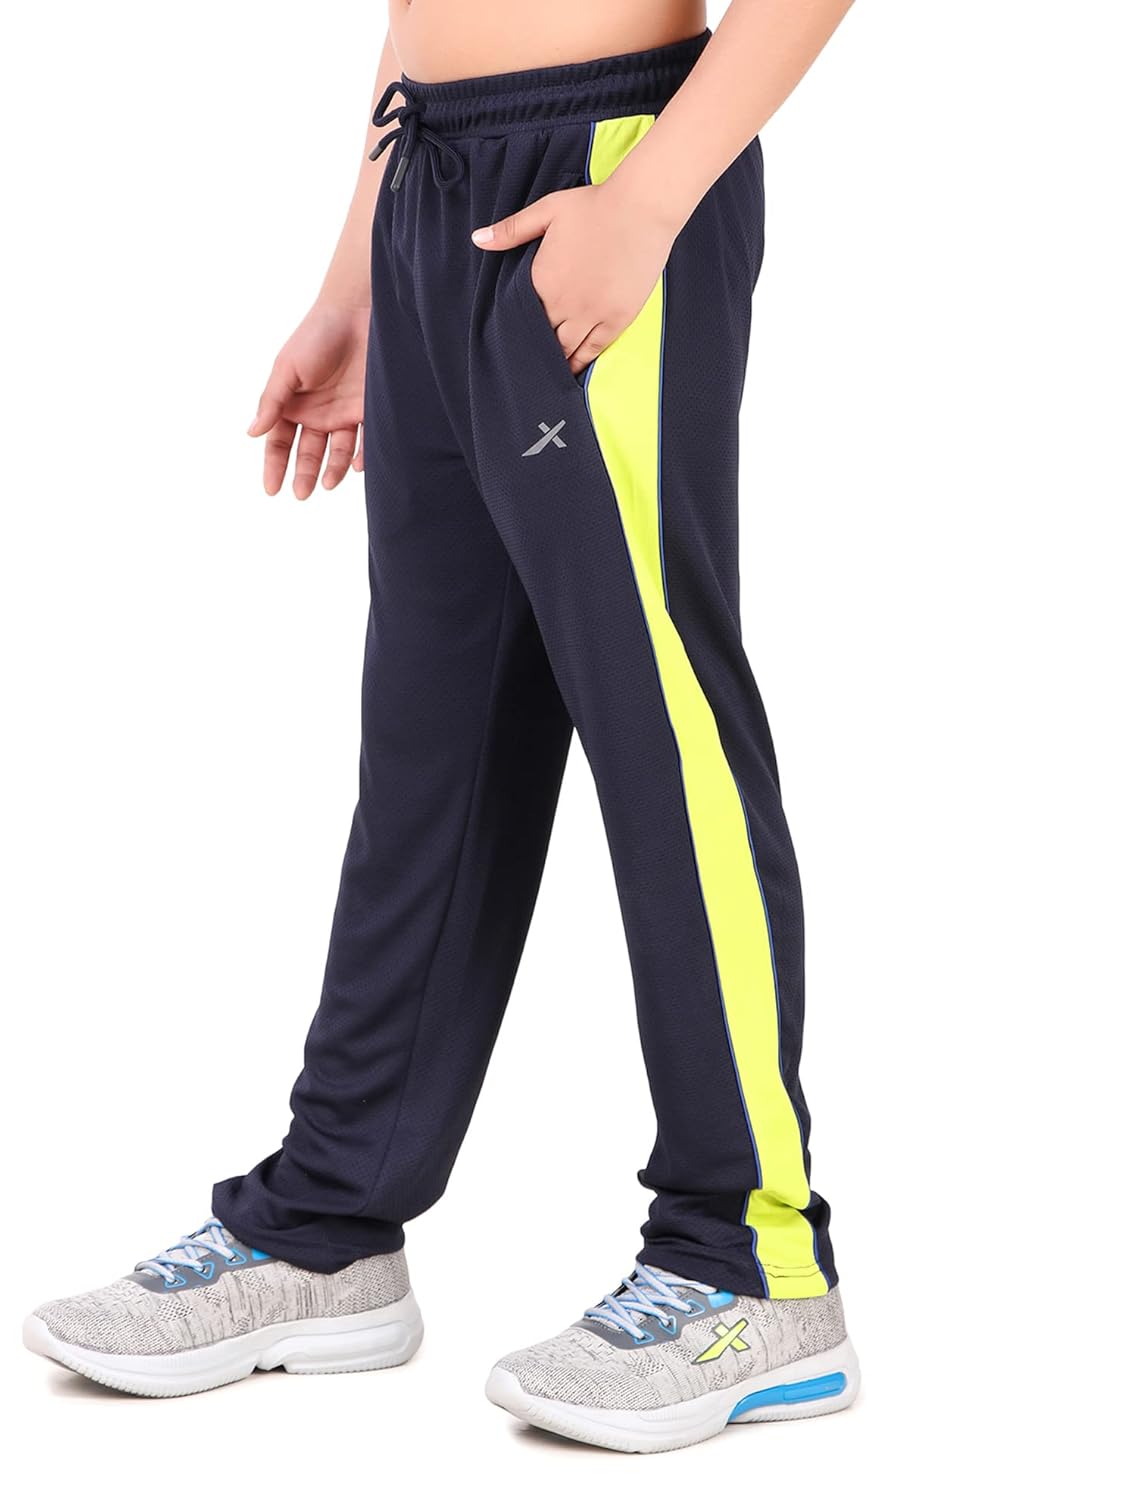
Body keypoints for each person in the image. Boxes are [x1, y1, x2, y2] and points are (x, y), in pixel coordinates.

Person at [23, 0, 860, 1452]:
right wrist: (356, 272)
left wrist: (647, 201)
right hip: (431, 183)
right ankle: (329, 1221)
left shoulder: (632, 188)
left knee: (663, 736)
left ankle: (753, 1261)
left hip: (609, 164)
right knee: (433, 741)